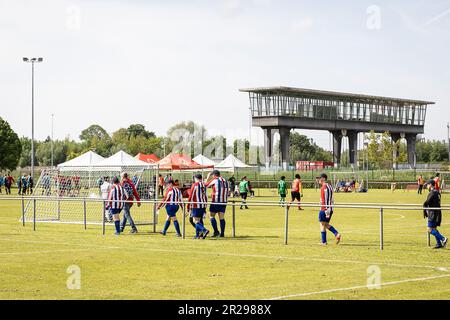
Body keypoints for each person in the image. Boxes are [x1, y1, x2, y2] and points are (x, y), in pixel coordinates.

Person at [318, 173, 342, 245]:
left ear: (323, 179)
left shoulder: (323, 187)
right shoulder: (330, 186)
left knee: (322, 225)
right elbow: (332, 198)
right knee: (326, 224)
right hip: (330, 209)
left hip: (324, 208)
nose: (318, 180)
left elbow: (322, 199)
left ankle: (324, 242)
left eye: (319, 178)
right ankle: (336, 234)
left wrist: (323, 207)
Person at [423, 179, 447, 249]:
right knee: (434, 229)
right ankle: (439, 243)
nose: (427, 186)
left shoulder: (432, 192)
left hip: (433, 213)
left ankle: (443, 239)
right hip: (437, 213)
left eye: (427, 185)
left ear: (430, 185)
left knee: (429, 229)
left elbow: (427, 202)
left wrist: (424, 207)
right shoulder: (437, 192)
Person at [205, 170, 229, 238]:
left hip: (215, 201)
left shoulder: (215, 180)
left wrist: (208, 178)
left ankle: (216, 231)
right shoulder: (226, 181)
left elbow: (205, 185)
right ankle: (222, 233)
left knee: (211, 216)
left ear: (213, 175)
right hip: (224, 201)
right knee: (221, 217)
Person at [187, 174, 209, 239]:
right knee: (200, 220)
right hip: (202, 205)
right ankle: (198, 235)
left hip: (196, 205)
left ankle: (204, 230)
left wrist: (188, 206)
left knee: (195, 220)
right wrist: (205, 206)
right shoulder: (204, 185)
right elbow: (205, 196)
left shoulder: (195, 185)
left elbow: (191, 196)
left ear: (195, 178)